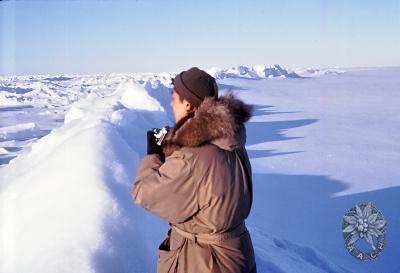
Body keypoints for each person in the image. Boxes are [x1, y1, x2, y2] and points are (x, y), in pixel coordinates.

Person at [131, 67, 257, 273]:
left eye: (174, 96)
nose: (171, 102)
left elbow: (144, 193)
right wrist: (175, 148)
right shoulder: (230, 139)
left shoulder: (192, 156)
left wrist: (153, 154)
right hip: (236, 253)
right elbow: (206, 186)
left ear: (188, 104)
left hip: (205, 261)